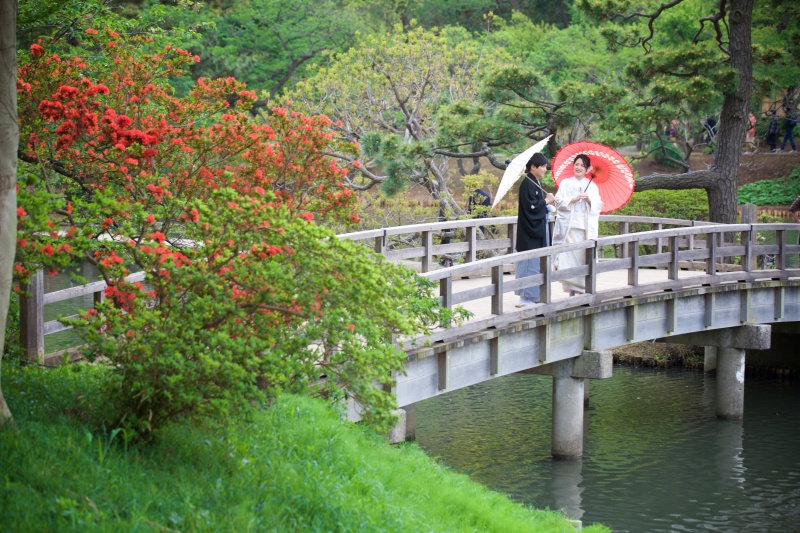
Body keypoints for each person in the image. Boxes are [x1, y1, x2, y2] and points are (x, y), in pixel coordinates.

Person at [552, 154, 603, 296]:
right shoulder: (566, 183)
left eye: (582, 165)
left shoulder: (592, 186)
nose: (578, 167)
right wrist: (572, 199)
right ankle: (571, 292)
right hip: (569, 229)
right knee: (568, 260)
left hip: (584, 229)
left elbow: (598, 205)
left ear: (587, 169)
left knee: (582, 259)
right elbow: (558, 201)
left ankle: (582, 291)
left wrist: (589, 200)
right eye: (576, 164)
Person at [515, 152, 555, 308]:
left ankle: (534, 295)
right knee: (528, 264)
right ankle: (524, 298)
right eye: (543, 166)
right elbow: (530, 207)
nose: (545, 169)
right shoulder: (527, 184)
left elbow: (538, 205)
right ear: (533, 166)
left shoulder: (534, 183)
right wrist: (546, 201)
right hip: (528, 233)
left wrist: (547, 206)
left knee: (537, 263)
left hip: (537, 230)